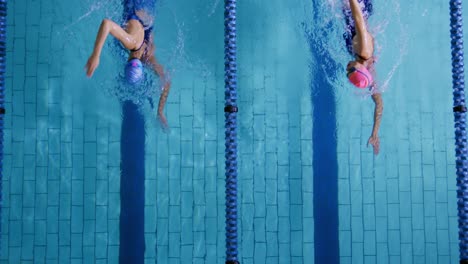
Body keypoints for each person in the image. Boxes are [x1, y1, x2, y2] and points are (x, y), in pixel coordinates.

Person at [85, 0, 171, 130]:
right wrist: (96, 55)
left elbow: (166, 81)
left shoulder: (143, 52)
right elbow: (106, 24)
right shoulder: (134, 45)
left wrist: (160, 111)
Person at [345, 0, 383, 155]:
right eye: (349, 69)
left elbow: (379, 103)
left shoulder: (369, 70)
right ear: (358, 67)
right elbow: (358, 18)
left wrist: (375, 133)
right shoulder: (364, 48)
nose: (346, 68)